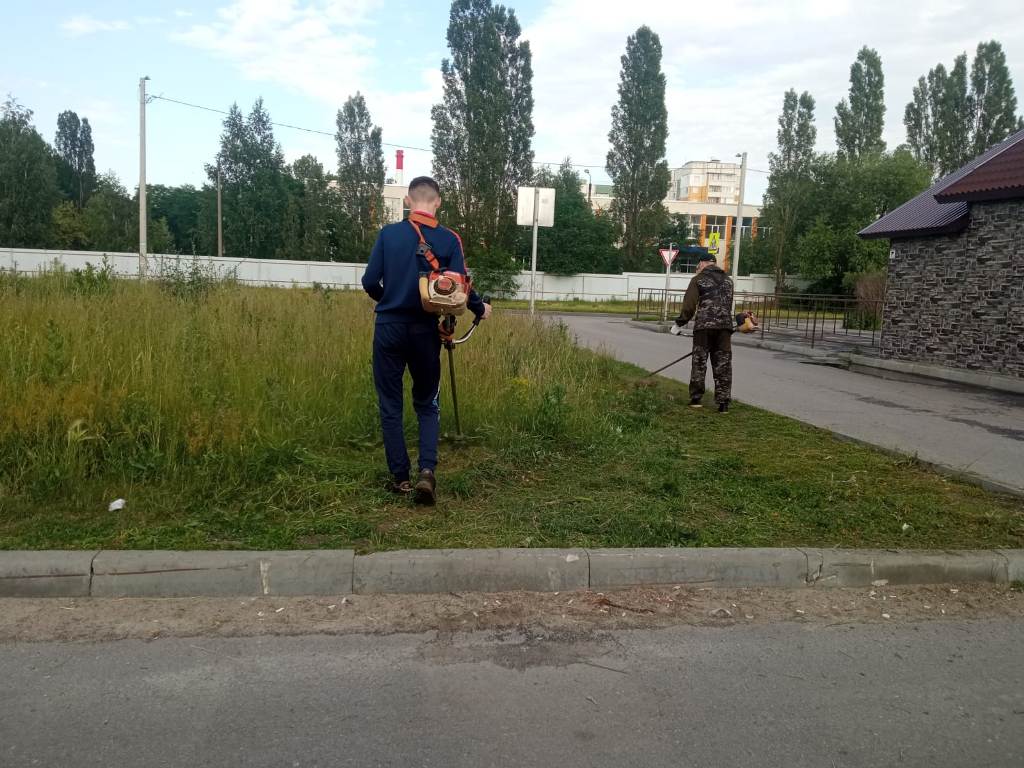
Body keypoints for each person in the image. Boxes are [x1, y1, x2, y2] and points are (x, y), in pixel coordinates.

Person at [361, 176, 491, 505]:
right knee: (427, 403)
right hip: (424, 331)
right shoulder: (449, 239)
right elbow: (460, 287)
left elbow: (369, 281)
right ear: (438, 202)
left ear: (408, 201)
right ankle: (427, 472)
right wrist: (480, 308)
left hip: (388, 328)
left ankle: (400, 478)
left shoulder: (388, 235)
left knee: (390, 404)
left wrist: (389, 299)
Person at [669, 252, 735, 413]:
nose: (698, 267)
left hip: (704, 328)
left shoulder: (697, 279)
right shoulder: (729, 281)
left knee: (699, 362)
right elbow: (727, 304)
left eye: (698, 264)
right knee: (723, 364)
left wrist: (679, 323)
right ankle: (723, 403)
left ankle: (696, 398)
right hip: (724, 329)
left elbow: (689, 306)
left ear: (703, 263)